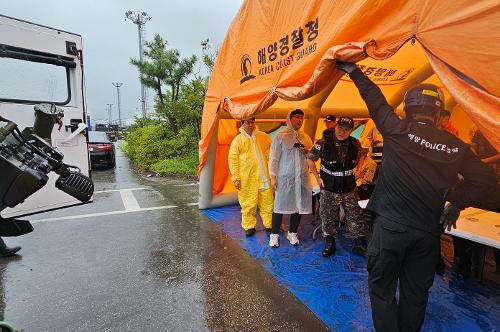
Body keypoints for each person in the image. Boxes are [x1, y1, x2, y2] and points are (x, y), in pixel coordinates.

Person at [336, 61, 496, 332]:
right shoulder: (456, 147)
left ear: (408, 109)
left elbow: (374, 98)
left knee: (382, 291)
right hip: (426, 234)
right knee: (415, 295)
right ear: (438, 115)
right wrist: (457, 201)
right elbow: (486, 180)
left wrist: (354, 70)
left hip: (390, 230)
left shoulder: (397, 130)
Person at [307, 117, 368, 257]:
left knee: (355, 215)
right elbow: (310, 159)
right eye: (340, 128)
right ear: (335, 127)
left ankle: (359, 243)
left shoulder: (355, 143)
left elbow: (362, 155)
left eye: (346, 129)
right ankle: (330, 243)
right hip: (330, 187)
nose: (342, 131)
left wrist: (358, 169)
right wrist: (317, 177)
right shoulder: (323, 143)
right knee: (327, 216)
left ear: (351, 131)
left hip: (349, 187)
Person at [268, 109, 322, 247]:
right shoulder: (280, 137)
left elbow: (312, 157)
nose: (299, 120)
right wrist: (273, 177)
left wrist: (307, 152)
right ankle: (274, 235)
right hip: (285, 178)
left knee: (299, 206)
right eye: (296, 117)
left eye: (301, 118)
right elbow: (273, 158)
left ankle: (292, 232)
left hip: (302, 178)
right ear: (289, 118)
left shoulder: (305, 137)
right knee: (279, 206)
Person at [228, 117, 274, 236]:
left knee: (268, 202)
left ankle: (270, 225)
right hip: (246, 179)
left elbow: (272, 149)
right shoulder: (237, 140)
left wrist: (272, 160)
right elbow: (232, 160)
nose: (250, 124)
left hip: (263, 176)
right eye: (247, 122)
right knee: (248, 203)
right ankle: (249, 226)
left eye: (252, 121)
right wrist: (236, 178)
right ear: (242, 123)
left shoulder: (262, 136)